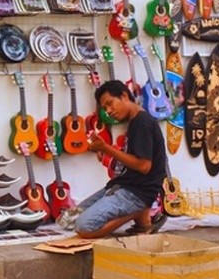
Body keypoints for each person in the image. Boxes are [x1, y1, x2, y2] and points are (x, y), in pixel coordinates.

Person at [71, 80, 167, 239]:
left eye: (110, 104)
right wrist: (103, 150)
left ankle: (138, 211)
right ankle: (143, 221)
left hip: (136, 192)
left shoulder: (142, 123)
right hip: (122, 186)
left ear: (124, 96)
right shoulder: (135, 122)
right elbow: (130, 160)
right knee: (69, 219)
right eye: (105, 108)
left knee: (84, 227)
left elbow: (144, 166)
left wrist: (106, 148)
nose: (108, 111)